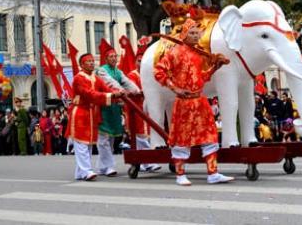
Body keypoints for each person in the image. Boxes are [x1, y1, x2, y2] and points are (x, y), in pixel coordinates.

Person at [154, 18, 234, 186]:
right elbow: (159, 71)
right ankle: (180, 175)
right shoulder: (174, 53)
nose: (196, 36)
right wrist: (174, 88)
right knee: (182, 139)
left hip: (201, 101)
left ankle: (213, 173)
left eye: (197, 33)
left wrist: (215, 67)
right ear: (184, 34)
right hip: (184, 102)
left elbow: (202, 77)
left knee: (210, 136)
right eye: (192, 33)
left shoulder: (198, 54)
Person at [66, 53, 124, 181]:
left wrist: (118, 94)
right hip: (80, 113)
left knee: (89, 145)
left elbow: (105, 89)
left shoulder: (96, 78)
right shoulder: (78, 78)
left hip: (92, 114)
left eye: (93, 61)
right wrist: (110, 96)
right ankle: (87, 171)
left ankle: (80, 172)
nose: (92, 63)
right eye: (88, 61)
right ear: (82, 64)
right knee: (81, 143)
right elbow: (89, 94)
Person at [96, 39, 140, 176]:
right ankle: (109, 166)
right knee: (103, 138)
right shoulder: (101, 70)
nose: (114, 58)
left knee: (111, 138)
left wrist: (137, 91)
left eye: (115, 56)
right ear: (105, 58)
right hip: (103, 107)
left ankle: (102, 166)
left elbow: (127, 82)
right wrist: (122, 91)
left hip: (114, 108)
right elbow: (111, 83)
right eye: (111, 56)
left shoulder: (118, 71)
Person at [126, 38, 161, 172]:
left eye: (143, 60)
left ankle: (145, 161)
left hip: (149, 107)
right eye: (139, 61)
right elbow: (131, 90)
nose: (141, 63)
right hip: (137, 109)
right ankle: (147, 161)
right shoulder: (132, 75)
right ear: (135, 62)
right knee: (141, 136)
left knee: (147, 135)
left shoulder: (151, 73)